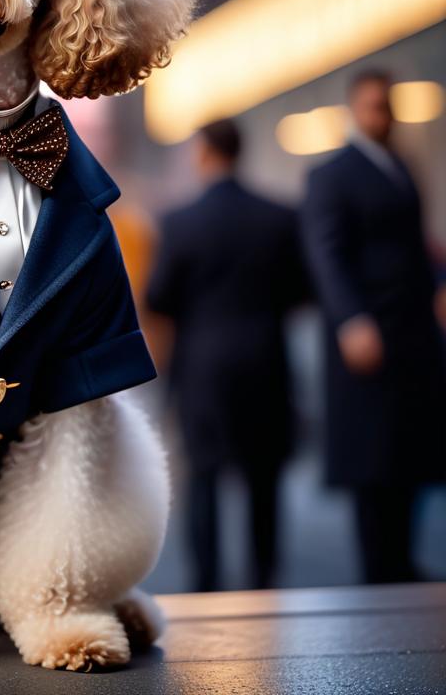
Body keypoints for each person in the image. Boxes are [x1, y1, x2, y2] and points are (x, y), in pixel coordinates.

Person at [147, 119, 306, 591]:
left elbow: (158, 298)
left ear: (204, 153)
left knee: (205, 479)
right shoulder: (279, 216)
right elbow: (301, 290)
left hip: (203, 367)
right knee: (264, 479)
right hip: (266, 360)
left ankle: (207, 583)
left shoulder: (179, 221)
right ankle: (264, 578)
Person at [301, 69, 446, 584]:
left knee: (407, 450)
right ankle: (379, 566)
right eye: (372, 107)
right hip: (368, 332)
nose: (380, 116)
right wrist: (352, 320)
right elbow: (326, 254)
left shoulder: (401, 166)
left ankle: (401, 559)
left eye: (386, 106)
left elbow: (414, 246)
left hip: (409, 331)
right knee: (373, 456)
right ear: (353, 111)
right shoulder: (333, 174)